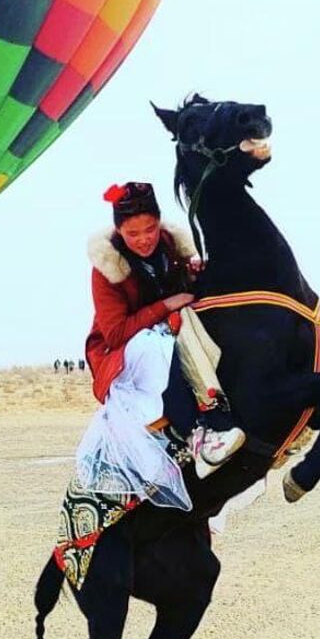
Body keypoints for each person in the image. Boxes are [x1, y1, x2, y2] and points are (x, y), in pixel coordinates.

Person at [81, 182, 244, 499]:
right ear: (118, 231)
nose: (144, 239)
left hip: (169, 333)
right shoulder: (105, 268)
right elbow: (114, 333)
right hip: (119, 354)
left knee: (201, 322)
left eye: (150, 229)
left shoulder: (172, 248)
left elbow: (185, 293)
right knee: (163, 339)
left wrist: (197, 275)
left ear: (159, 222)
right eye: (133, 233)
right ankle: (199, 435)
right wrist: (166, 306)